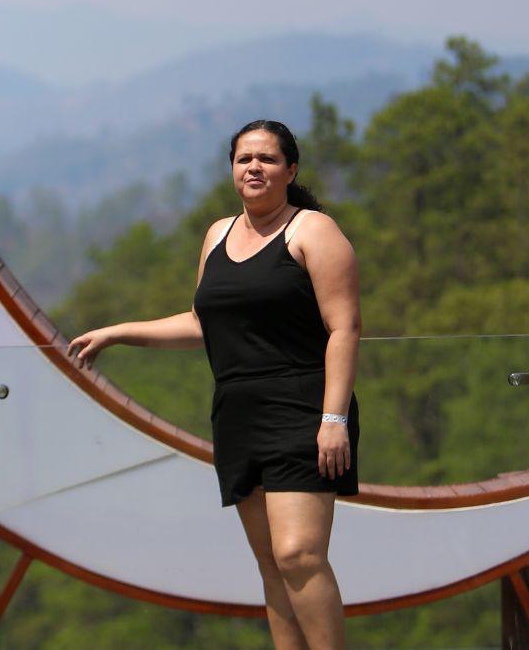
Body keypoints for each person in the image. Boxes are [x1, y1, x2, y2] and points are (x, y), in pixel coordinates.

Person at [67, 119, 360, 650]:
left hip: (304, 408)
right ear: (232, 170)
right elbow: (203, 323)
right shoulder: (218, 234)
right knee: (272, 565)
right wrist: (117, 332)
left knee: (298, 554)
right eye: (244, 159)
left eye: (268, 159)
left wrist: (334, 418)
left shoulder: (313, 231)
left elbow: (344, 328)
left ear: (291, 170)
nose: (255, 167)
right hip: (237, 413)